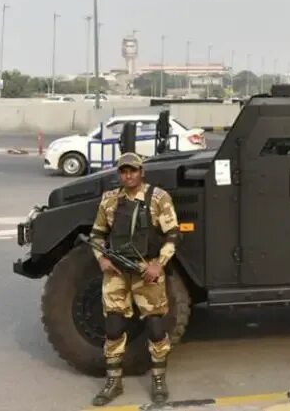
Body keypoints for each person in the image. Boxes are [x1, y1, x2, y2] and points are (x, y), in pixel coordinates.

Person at [89, 153, 182, 406]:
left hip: (147, 270)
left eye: (132, 170)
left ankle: (159, 380)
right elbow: (96, 234)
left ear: (142, 171)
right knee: (113, 327)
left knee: (155, 326)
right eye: (123, 171)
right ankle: (114, 381)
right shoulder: (109, 201)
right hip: (116, 272)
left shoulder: (158, 198)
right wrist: (101, 259)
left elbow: (173, 235)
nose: (128, 175)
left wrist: (158, 264)